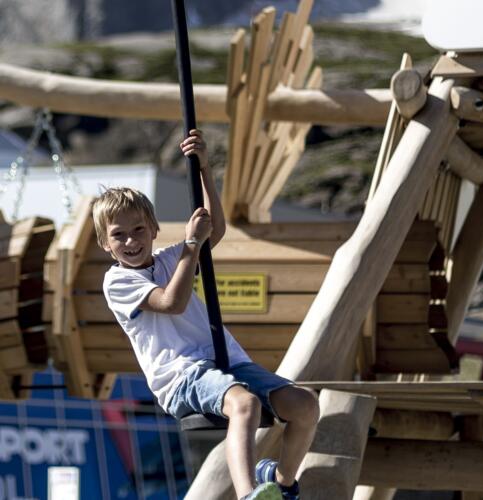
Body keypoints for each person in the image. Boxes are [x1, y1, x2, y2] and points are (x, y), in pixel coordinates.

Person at [92, 129, 319, 500]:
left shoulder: (169, 257)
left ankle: (282, 480)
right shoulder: (117, 281)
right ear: (106, 243)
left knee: (305, 405)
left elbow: (216, 229)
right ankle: (248, 494)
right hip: (180, 375)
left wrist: (204, 170)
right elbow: (171, 303)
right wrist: (192, 245)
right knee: (243, 404)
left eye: (138, 230)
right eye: (119, 236)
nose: (131, 242)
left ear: (153, 229)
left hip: (224, 360)